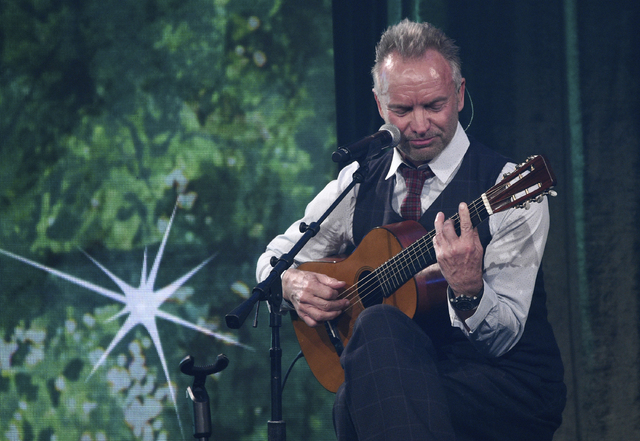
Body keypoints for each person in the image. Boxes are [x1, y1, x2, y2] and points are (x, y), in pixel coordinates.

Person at [256, 19, 566, 441]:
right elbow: (276, 258)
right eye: (403, 110)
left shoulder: (507, 186)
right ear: (380, 105)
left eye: (434, 105)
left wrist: (470, 290)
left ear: (458, 95)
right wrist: (292, 283)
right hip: (405, 379)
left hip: (502, 387)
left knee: (366, 366)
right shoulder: (358, 179)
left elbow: (502, 338)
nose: (419, 125)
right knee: (371, 357)